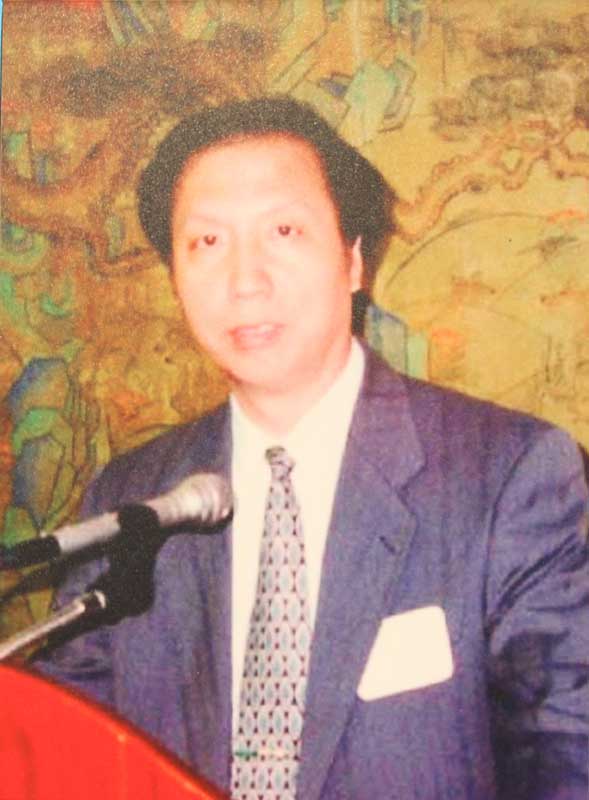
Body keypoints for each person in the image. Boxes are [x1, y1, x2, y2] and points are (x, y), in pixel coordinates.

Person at [36, 97, 588, 800]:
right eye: (206, 242)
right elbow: (68, 752)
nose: (245, 280)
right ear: (174, 278)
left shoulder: (509, 474)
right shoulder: (129, 497)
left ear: (352, 260)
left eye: (284, 230)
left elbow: (566, 757)